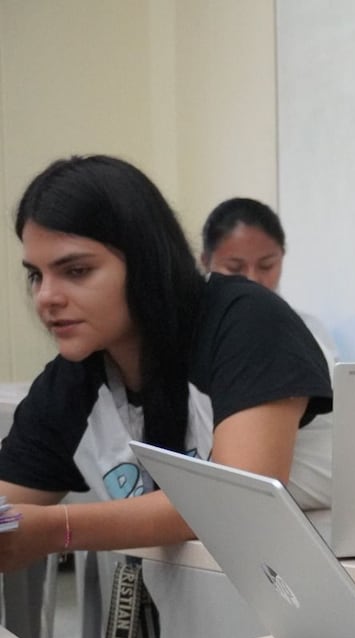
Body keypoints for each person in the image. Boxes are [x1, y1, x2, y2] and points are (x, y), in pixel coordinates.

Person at [0, 155, 332, 575]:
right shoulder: (75, 376)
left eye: (76, 270)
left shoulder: (246, 320)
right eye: (36, 276)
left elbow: (236, 501)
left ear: (144, 262)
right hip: (206, 603)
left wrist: (58, 529)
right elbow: (8, 499)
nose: (46, 297)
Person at [200, 197, 338, 365]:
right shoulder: (193, 336)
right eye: (234, 268)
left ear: (281, 257)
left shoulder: (310, 331)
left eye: (266, 266)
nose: (252, 279)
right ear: (206, 262)